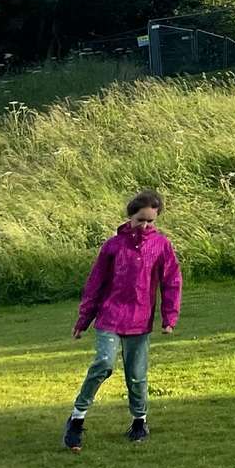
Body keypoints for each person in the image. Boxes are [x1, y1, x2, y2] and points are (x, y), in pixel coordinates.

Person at [62, 190, 182, 450]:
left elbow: (171, 282)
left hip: (141, 319)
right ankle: (76, 418)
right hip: (110, 316)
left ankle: (139, 421)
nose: (145, 226)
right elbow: (96, 284)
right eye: (141, 220)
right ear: (130, 217)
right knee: (104, 363)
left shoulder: (161, 245)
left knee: (136, 375)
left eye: (151, 221)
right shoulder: (113, 246)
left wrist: (169, 317)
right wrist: (84, 320)